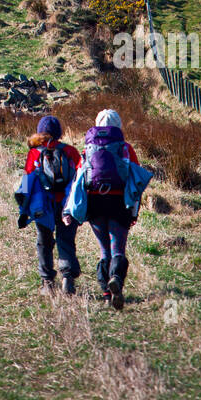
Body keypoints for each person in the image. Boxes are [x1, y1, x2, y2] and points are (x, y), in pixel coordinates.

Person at [65, 109, 143, 310]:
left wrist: (70, 210)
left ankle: (107, 294)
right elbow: (136, 182)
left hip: (95, 202)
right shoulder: (126, 148)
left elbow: (79, 180)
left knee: (103, 250)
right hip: (119, 202)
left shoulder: (88, 148)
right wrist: (134, 212)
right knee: (117, 247)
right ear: (119, 125)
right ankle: (116, 277)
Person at [21, 115, 82, 296]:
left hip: (43, 206)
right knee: (66, 240)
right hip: (66, 204)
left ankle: (47, 282)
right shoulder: (71, 151)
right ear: (59, 133)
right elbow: (79, 179)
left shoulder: (34, 153)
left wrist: (24, 207)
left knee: (44, 242)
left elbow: (27, 181)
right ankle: (67, 278)